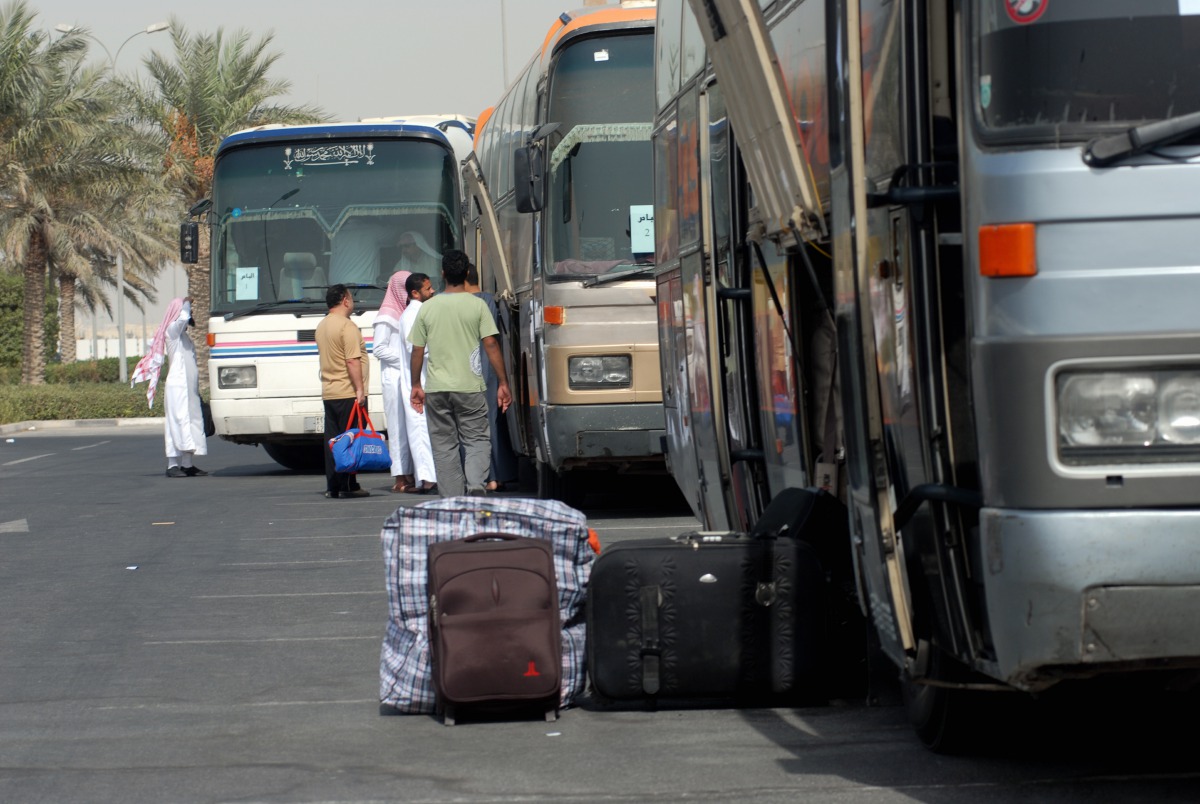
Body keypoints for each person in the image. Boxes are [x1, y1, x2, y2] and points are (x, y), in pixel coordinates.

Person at [408, 251, 512, 497]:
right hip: (470, 388)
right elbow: (491, 345)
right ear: (466, 274)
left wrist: (415, 385)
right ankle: (475, 485)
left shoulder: (427, 308)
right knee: (476, 439)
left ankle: (452, 500)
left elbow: (417, 350)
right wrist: (503, 382)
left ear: (442, 274)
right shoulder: (477, 305)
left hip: (436, 388)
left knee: (444, 447)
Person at [132, 297, 208, 477]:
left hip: (189, 390)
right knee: (176, 423)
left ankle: (187, 465)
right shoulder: (171, 333)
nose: (190, 317)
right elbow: (181, 320)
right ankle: (172, 465)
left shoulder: (185, 339)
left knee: (191, 423)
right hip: (177, 389)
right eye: (188, 312)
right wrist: (186, 302)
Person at [464, 264, 518, 491]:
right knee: (494, 424)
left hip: (470, 370)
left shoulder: (463, 303)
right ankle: (499, 475)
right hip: (492, 369)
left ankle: (488, 476)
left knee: (474, 429)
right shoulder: (491, 301)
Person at [315, 284, 370, 499]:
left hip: (330, 391)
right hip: (348, 392)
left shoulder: (322, 325)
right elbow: (352, 361)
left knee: (333, 440)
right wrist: (360, 389)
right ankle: (349, 485)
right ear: (345, 300)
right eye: (351, 298)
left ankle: (333, 485)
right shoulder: (347, 326)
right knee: (351, 440)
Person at [371, 270, 415, 492]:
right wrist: (406, 361)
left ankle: (412, 474)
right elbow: (378, 348)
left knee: (412, 427)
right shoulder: (386, 315)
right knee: (397, 429)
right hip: (394, 378)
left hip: (408, 377)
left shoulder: (409, 312)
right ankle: (400, 477)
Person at [396, 272, 438, 493]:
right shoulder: (412, 315)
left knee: (426, 430)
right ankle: (427, 479)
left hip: (424, 380)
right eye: (428, 289)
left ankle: (430, 477)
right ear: (415, 293)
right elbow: (417, 350)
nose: (432, 292)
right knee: (420, 430)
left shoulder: (420, 311)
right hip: (418, 382)